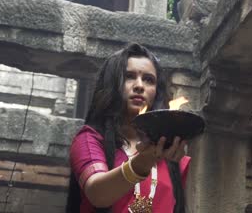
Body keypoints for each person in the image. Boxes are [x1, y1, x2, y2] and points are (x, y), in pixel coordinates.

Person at [67, 43, 190, 213]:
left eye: (149, 80)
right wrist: (144, 160)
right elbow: (97, 194)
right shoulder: (90, 139)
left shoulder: (170, 152)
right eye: (129, 76)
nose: (140, 85)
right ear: (112, 85)